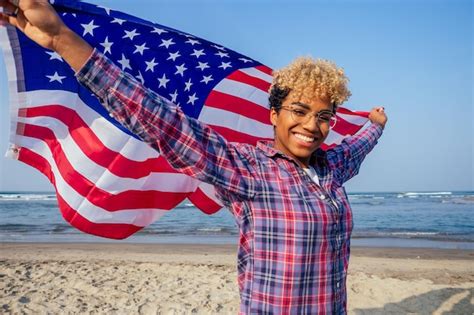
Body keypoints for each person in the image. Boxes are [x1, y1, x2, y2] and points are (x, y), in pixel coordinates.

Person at [0, 1, 388, 314]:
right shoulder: (248, 169)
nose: (311, 125)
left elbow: (361, 145)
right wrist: (63, 39)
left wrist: (376, 124)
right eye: (299, 111)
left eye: (323, 117)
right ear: (274, 114)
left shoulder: (332, 168)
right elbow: (160, 120)